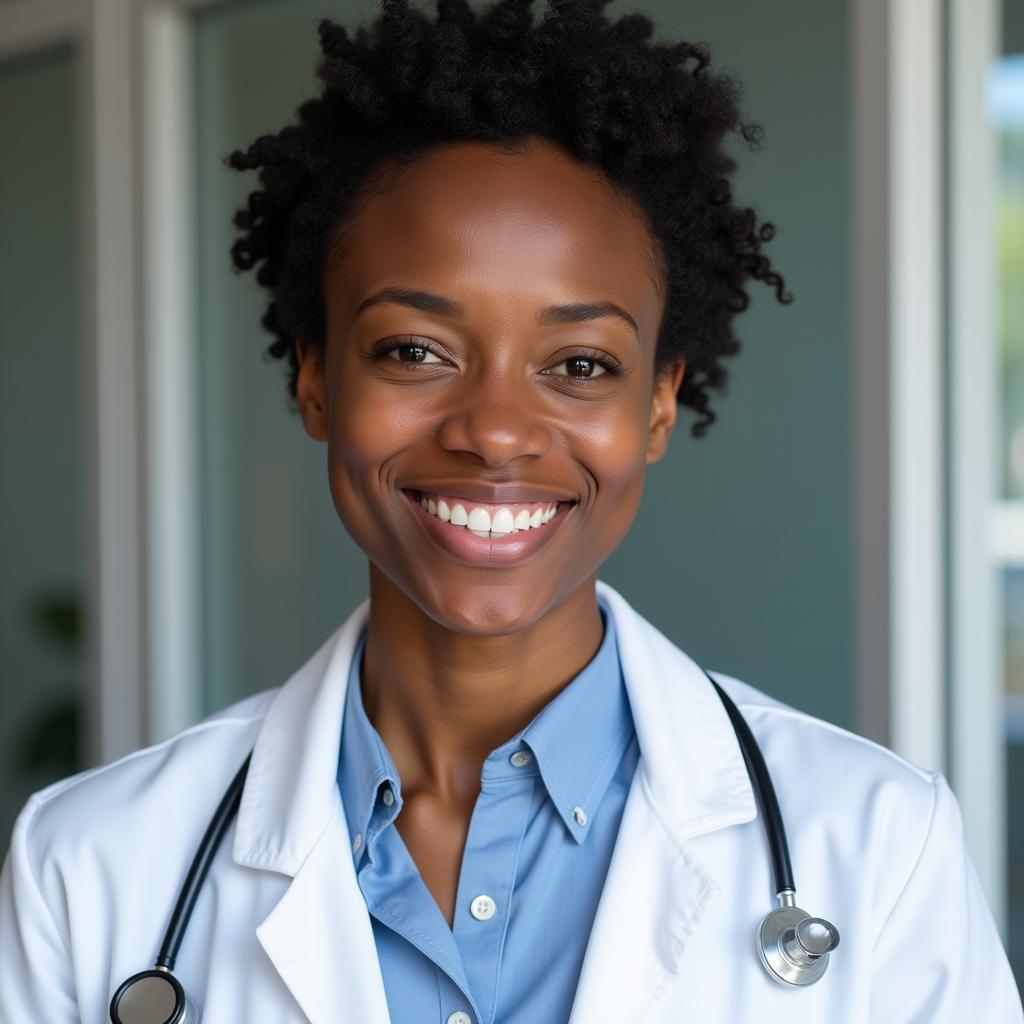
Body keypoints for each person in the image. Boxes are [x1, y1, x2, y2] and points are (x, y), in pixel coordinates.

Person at [1, 0, 1021, 1020]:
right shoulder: (91, 866)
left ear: (657, 402)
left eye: (579, 363)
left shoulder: (877, 846)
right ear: (314, 378)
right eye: (414, 350)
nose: (494, 430)